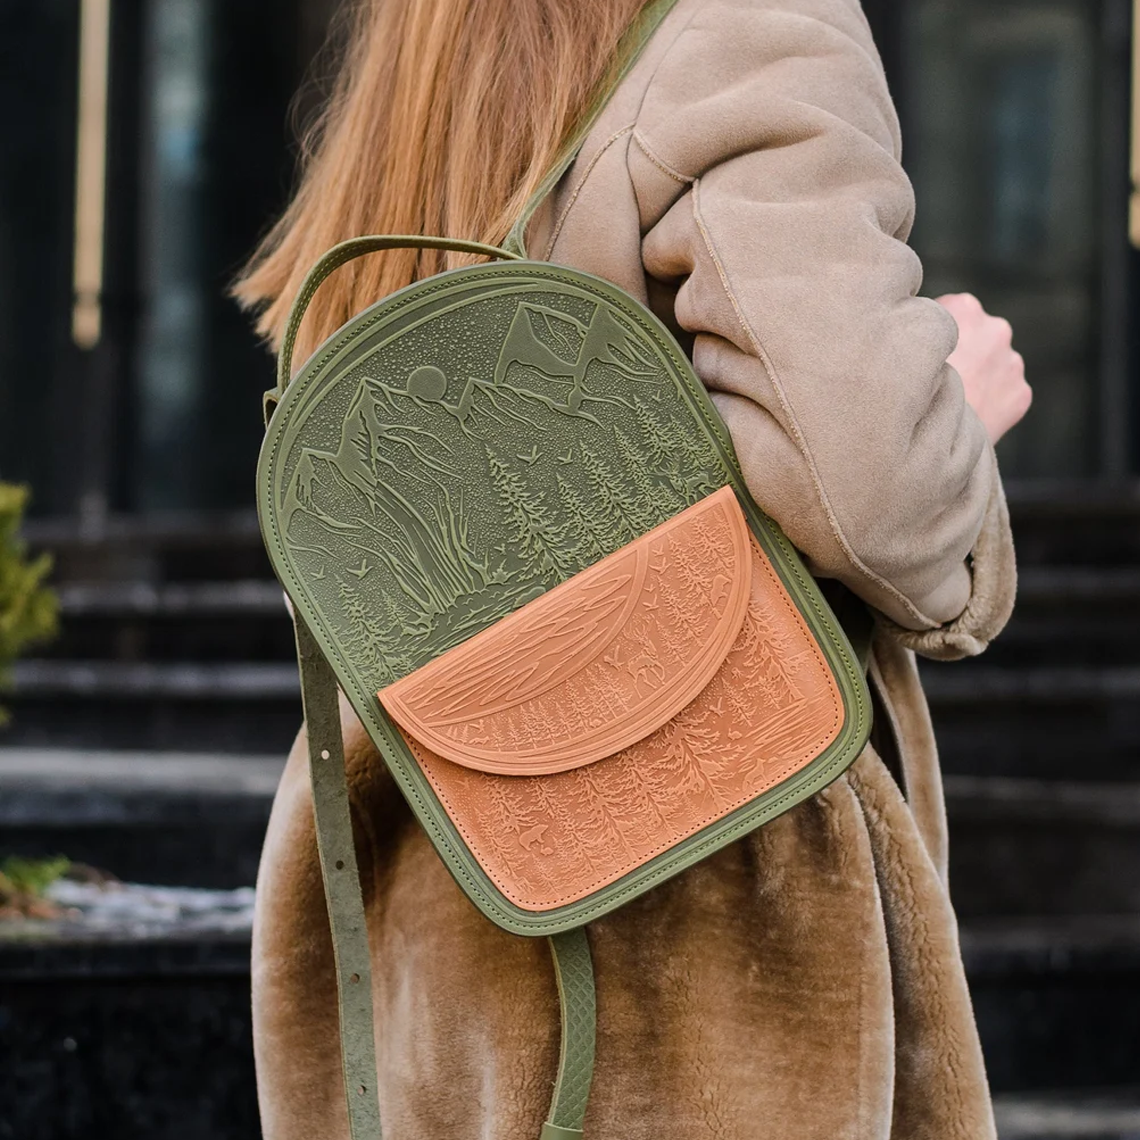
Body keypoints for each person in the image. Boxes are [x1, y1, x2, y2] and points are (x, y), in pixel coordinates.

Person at [235, 0, 1031, 1136]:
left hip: (412, 834)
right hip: (691, 882)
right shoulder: (748, 23)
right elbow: (867, 485)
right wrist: (955, 418)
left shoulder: (434, 46)